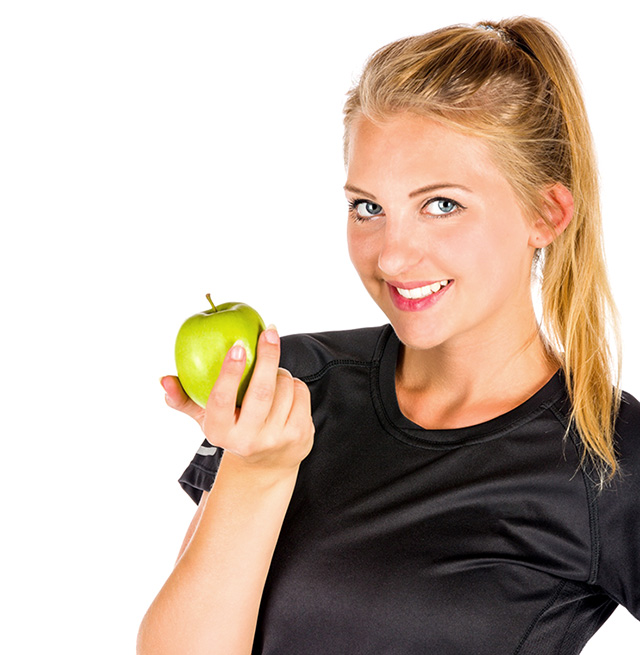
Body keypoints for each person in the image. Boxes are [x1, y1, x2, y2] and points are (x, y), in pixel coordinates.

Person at [137, 17, 639, 655]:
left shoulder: (610, 457)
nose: (393, 257)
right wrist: (258, 468)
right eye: (367, 207)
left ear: (546, 213)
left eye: (442, 204)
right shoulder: (295, 386)